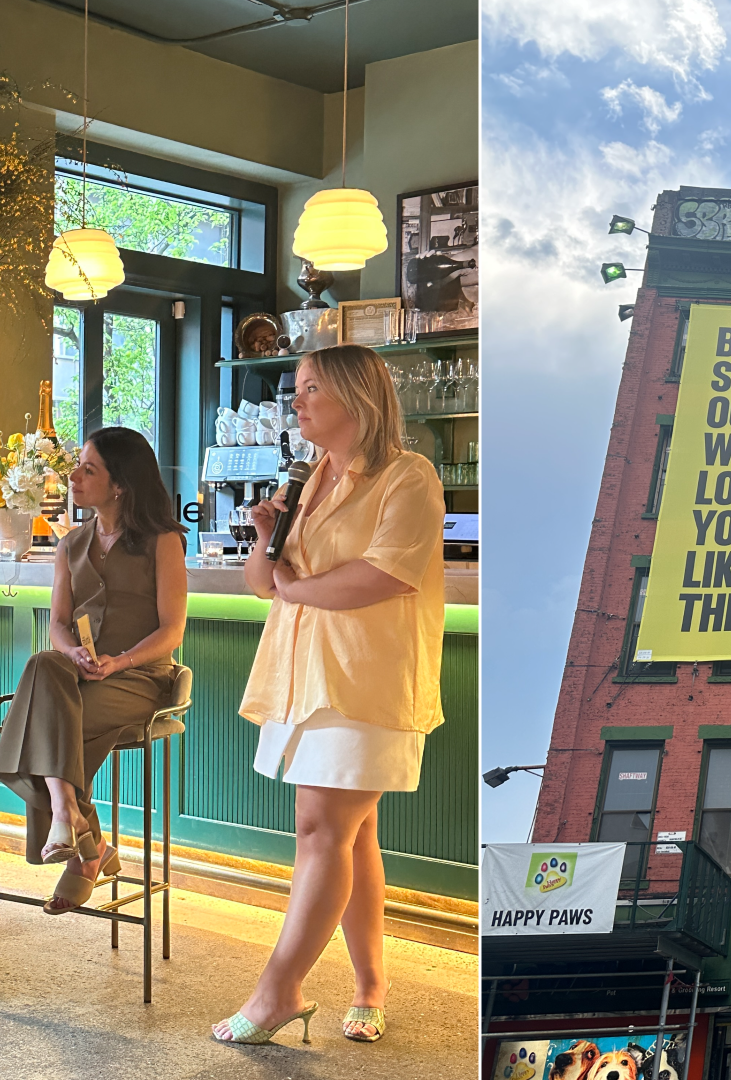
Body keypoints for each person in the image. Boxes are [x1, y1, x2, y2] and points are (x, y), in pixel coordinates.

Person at [213, 345, 446, 1047]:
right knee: (350, 834)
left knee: (321, 830)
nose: (297, 400)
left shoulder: (409, 476)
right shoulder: (310, 477)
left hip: (366, 678)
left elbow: (386, 575)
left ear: (356, 397)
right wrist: (267, 538)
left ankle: (278, 991)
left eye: (312, 388)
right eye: (298, 388)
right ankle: (370, 987)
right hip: (303, 675)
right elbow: (265, 584)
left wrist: (295, 587)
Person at [0, 427, 188, 914]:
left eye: (88, 469)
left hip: (142, 680)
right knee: (44, 662)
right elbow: (58, 625)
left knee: (32, 724)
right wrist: (74, 653)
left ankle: (83, 841)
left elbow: (172, 630)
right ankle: (77, 826)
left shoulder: (163, 542)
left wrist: (121, 660)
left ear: (119, 484)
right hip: (79, 676)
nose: (73, 477)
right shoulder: (70, 544)